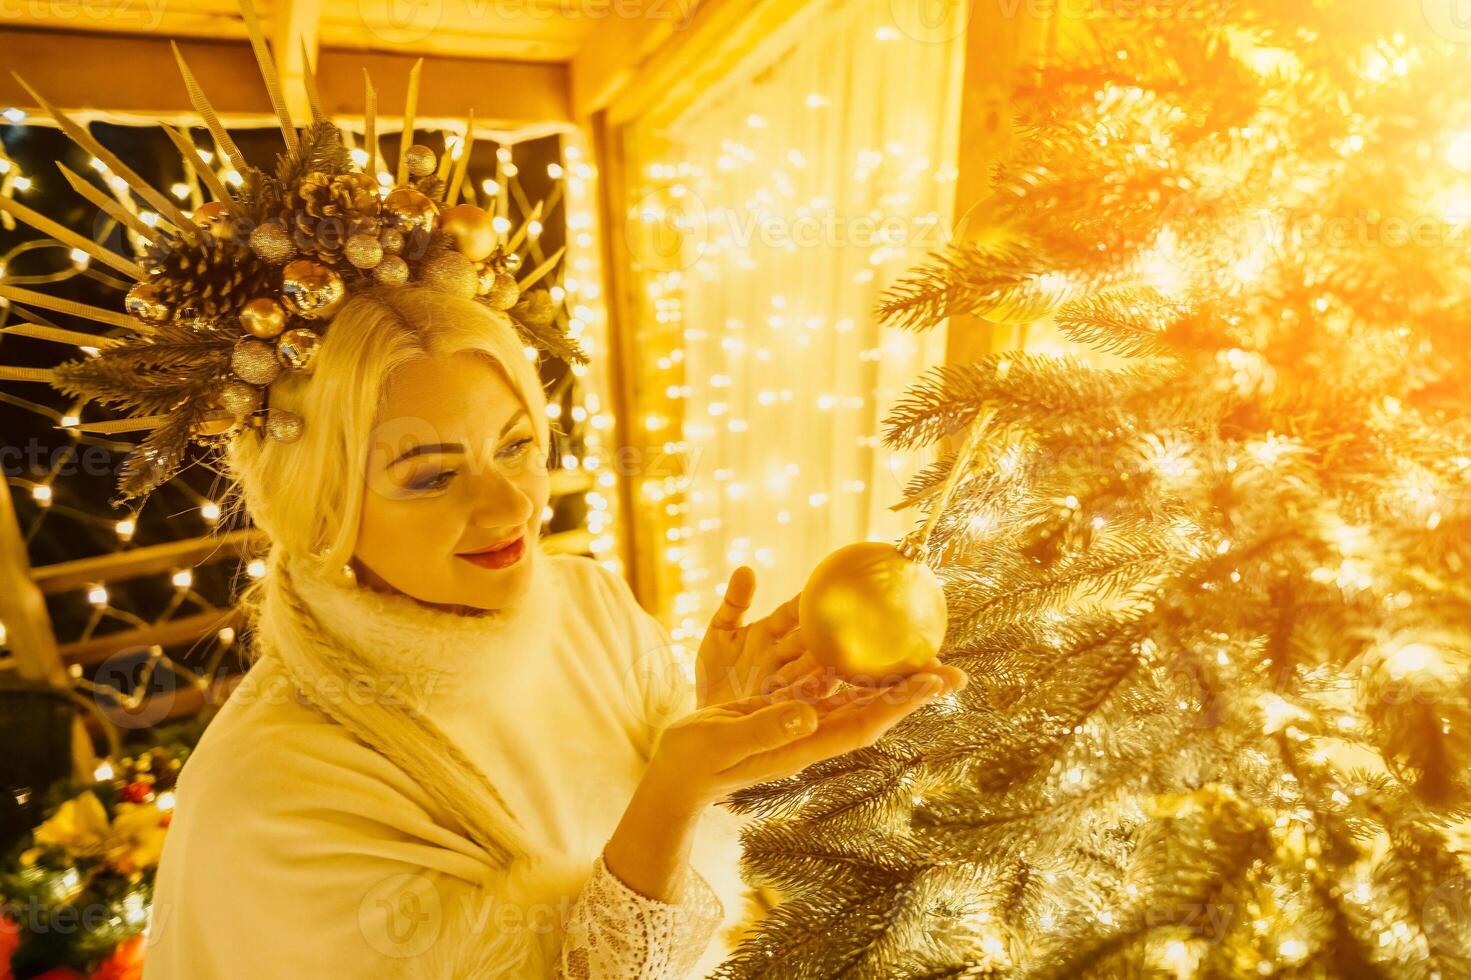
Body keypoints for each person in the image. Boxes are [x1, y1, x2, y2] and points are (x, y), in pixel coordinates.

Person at [144, 285, 968, 978]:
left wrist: (719, 726)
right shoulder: (271, 791)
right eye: (430, 476)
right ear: (320, 502)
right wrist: (673, 789)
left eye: (517, 447)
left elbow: (685, 880)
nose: (511, 508)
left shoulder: (587, 603)